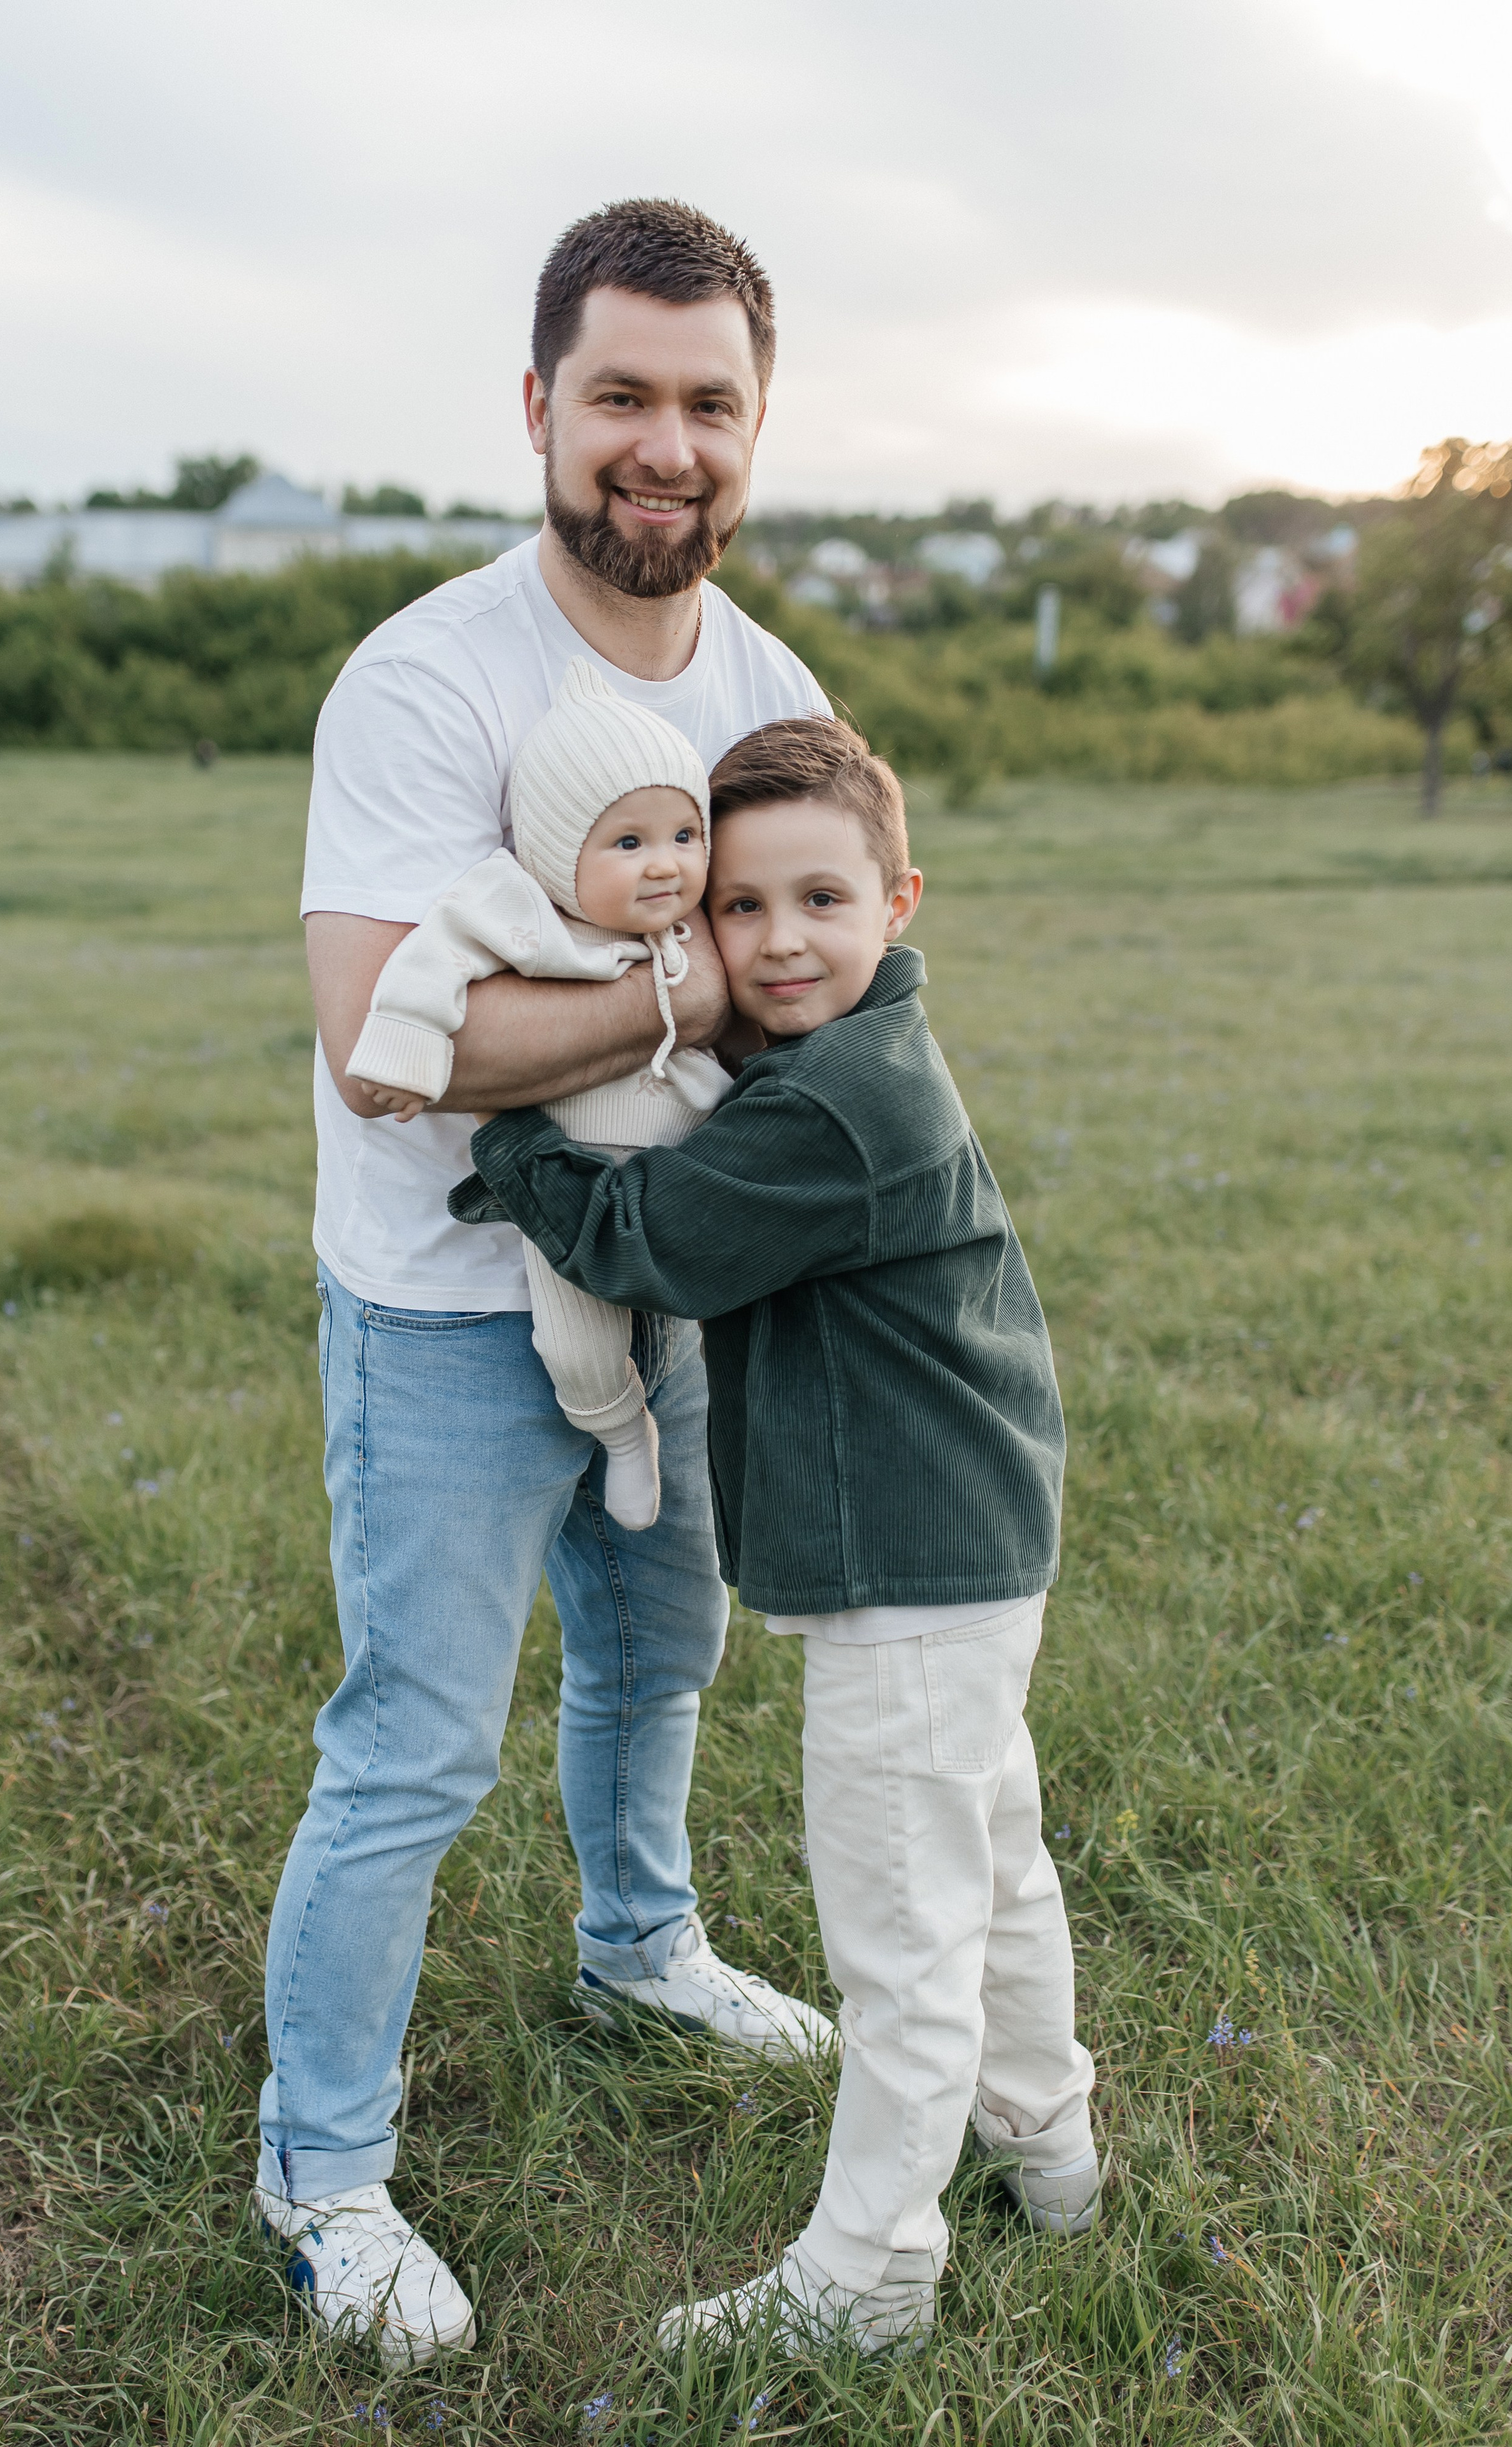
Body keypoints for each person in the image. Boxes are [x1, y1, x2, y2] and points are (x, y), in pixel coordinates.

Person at [254, 198, 837, 2374]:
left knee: (660, 1652)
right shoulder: (430, 679)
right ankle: (321, 2169)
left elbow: (832, 966)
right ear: (539, 407)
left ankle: (641, 1945)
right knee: (415, 1747)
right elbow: (391, 1048)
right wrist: (697, 987)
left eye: (710, 403)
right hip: (447, 1308)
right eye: (621, 396)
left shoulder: (774, 692)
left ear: (757, 425)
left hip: (673, 1292)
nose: (665, 446)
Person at [454, 718, 1099, 2360]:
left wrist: (512, 1130)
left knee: (901, 1935)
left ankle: (866, 2275)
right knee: (991, 1867)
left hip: (907, 1568)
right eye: (737, 909)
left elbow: (650, 1239)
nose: (779, 939)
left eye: (820, 899)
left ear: (898, 900)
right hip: (961, 1541)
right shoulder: (852, 1059)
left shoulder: (836, 1105)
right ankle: (1049, 2155)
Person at [345, 658, 728, 1531]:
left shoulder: (694, 925)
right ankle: (621, 1431)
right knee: (575, 1342)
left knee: (725, 1295)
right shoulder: (524, 909)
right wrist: (407, 1047)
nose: (665, 865)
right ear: (560, 852)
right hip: (572, 1184)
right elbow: (433, 956)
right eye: (627, 844)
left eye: (685, 835)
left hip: (690, 1162)